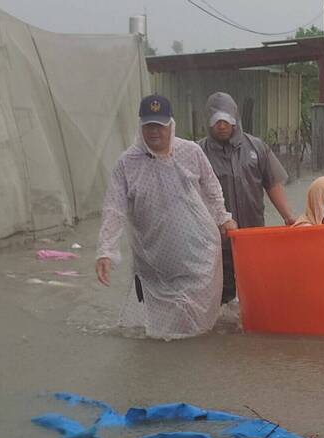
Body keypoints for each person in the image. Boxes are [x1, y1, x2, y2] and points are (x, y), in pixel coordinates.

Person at [95, 94, 237, 340]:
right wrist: (106, 250)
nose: (154, 132)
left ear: (171, 124)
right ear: (141, 126)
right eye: (149, 125)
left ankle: (191, 370)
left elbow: (212, 188)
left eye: (159, 125)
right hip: (153, 262)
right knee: (159, 333)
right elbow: (114, 209)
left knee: (197, 330)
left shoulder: (190, 152)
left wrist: (223, 217)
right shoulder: (127, 164)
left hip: (198, 256)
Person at [198, 92, 295, 304]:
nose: (222, 126)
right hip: (216, 244)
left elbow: (272, 183)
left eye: (226, 120)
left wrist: (288, 216)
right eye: (216, 121)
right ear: (208, 122)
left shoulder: (256, 147)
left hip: (253, 238)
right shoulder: (197, 153)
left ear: (235, 119)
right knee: (220, 301)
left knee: (257, 294)